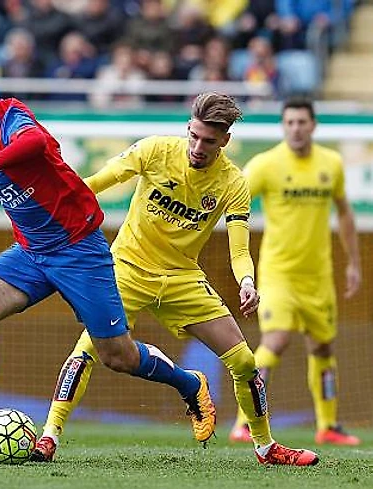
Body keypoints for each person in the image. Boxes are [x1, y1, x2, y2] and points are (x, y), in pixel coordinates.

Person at [0, 58, 217, 450]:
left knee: (117, 355)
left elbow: (34, 143)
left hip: (78, 250)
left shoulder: (13, 118)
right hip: (32, 253)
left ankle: (190, 383)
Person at [29, 92, 319, 467]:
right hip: (127, 271)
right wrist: (50, 204)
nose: (198, 147)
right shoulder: (155, 151)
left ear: (225, 141)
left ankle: (266, 448)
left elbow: (239, 251)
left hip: (182, 278)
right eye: (194, 136)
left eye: (209, 141)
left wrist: (247, 281)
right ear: (188, 128)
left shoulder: (233, 183)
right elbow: (97, 182)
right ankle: (48, 437)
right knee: (86, 352)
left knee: (245, 361)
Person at [230, 98, 362, 446]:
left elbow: (345, 212)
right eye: (290, 123)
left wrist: (353, 263)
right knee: (277, 339)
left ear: (313, 125)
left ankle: (328, 425)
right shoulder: (267, 165)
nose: (296, 129)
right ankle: (245, 421)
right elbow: (233, 196)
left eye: (302, 122)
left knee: (322, 346)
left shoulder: (330, 164)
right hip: (279, 274)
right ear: (283, 126)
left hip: (318, 276)